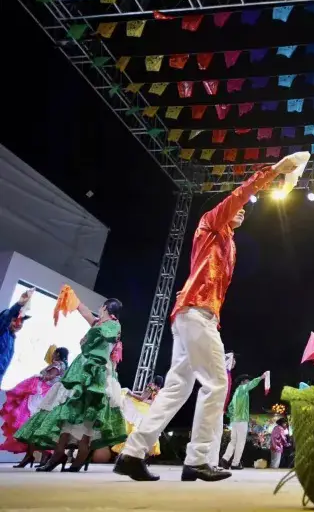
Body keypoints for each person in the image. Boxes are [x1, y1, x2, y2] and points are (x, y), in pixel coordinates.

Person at [114, 154, 301, 483]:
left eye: (244, 209)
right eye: (238, 206)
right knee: (216, 383)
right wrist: (274, 172)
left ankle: (132, 453)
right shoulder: (211, 222)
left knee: (176, 389)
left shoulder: (228, 242)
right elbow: (238, 196)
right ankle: (198, 459)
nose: (243, 209)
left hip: (195, 314)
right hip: (196, 312)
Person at [14, 297, 126, 472]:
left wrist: (90, 337)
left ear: (104, 308)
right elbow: (86, 312)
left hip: (96, 370)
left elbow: (107, 335)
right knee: (67, 409)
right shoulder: (98, 322)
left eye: (100, 306)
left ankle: (79, 457)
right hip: (81, 369)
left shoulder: (113, 324)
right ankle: (59, 454)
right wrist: (73, 299)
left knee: (89, 412)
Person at [0, 346, 69, 466]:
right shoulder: (65, 365)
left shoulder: (57, 364)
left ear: (57, 354)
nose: (52, 355)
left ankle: (38, 455)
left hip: (44, 395)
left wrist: (40, 376)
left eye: (54, 353)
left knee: (32, 423)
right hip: (52, 396)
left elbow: (51, 377)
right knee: (36, 427)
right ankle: (34, 456)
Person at [221, 372, 268, 470]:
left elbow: (230, 408)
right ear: (243, 382)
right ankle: (235, 463)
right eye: (247, 381)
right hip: (241, 420)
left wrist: (231, 416)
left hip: (234, 420)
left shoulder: (236, 393)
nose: (248, 382)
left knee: (233, 441)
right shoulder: (242, 389)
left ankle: (225, 459)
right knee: (240, 442)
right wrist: (261, 377)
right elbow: (251, 385)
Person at [111, 376, 165, 459]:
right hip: (151, 411)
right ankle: (141, 455)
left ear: (154, 380)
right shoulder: (160, 391)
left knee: (132, 428)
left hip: (143, 409)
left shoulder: (151, 386)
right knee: (144, 431)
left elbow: (142, 398)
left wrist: (130, 393)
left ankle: (127, 453)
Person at [0, 288, 33, 387]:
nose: (19, 324)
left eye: (21, 322)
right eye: (15, 320)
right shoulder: (2, 330)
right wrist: (19, 304)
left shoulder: (12, 338)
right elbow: (5, 318)